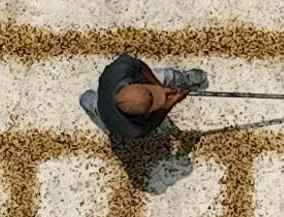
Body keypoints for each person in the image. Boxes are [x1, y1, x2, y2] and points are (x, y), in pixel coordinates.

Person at [82, 53, 209, 195]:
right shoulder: (130, 128)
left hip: (106, 95)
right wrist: (168, 105)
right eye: (154, 105)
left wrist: (158, 86)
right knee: (167, 75)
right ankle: (99, 114)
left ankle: (183, 80)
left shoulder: (119, 70)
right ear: (140, 114)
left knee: (86, 99)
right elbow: (153, 124)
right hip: (109, 116)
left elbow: (140, 66)